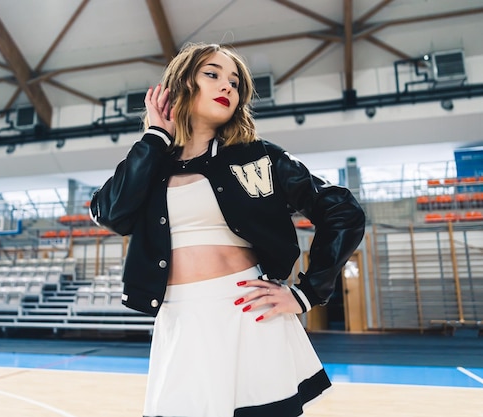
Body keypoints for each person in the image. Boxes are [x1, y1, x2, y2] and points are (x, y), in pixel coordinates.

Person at [90, 42, 366, 417]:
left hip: (248, 311)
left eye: (235, 83)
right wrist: (156, 136)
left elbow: (343, 211)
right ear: (183, 84)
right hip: (179, 316)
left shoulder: (261, 156)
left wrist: (305, 293)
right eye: (213, 75)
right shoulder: (151, 162)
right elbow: (109, 212)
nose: (227, 88)